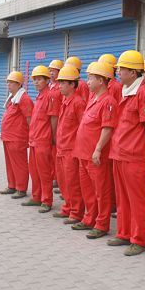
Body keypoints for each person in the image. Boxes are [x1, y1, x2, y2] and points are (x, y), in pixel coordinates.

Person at [108, 51, 145, 256]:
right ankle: (124, 233)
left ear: (133, 72)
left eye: (122, 69)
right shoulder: (126, 90)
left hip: (135, 155)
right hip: (120, 153)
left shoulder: (143, 93)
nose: (118, 72)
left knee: (137, 199)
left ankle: (138, 239)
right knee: (123, 197)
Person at [71, 62, 117, 239]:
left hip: (95, 155)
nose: (87, 82)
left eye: (91, 78)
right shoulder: (93, 98)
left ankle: (102, 224)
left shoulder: (108, 101)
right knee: (88, 190)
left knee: (101, 191)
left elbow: (107, 128)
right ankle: (89, 218)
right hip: (83, 153)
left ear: (101, 80)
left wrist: (98, 149)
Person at [53, 65, 87, 223]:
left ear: (72, 84)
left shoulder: (78, 103)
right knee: (63, 181)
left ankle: (76, 212)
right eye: (59, 82)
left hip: (71, 150)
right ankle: (67, 207)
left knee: (73, 183)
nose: (59, 85)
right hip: (62, 148)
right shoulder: (65, 100)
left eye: (63, 82)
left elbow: (82, 127)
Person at [23, 65, 56, 213]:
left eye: (39, 79)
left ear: (47, 80)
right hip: (34, 140)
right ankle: (36, 197)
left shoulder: (50, 96)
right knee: (34, 170)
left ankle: (46, 200)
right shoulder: (40, 96)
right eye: (34, 80)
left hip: (43, 140)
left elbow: (54, 118)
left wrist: (53, 137)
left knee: (44, 172)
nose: (36, 82)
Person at [0, 71, 33, 199]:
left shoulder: (24, 99)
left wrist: (31, 136)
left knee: (19, 164)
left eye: (11, 82)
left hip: (17, 138)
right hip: (8, 137)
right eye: (8, 82)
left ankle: (21, 188)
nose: (8, 84)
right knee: (10, 163)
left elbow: (29, 119)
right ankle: (12, 185)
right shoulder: (13, 98)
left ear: (19, 84)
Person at [48, 60, 64, 194]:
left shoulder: (60, 89)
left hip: (58, 126)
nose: (51, 73)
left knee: (57, 156)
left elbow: (56, 113)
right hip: (50, 126)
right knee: (53, 156)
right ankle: (55, 177)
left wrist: (54, 132)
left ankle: (59, 180)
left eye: (53, 70)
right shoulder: (50, 86)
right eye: (50, 70)